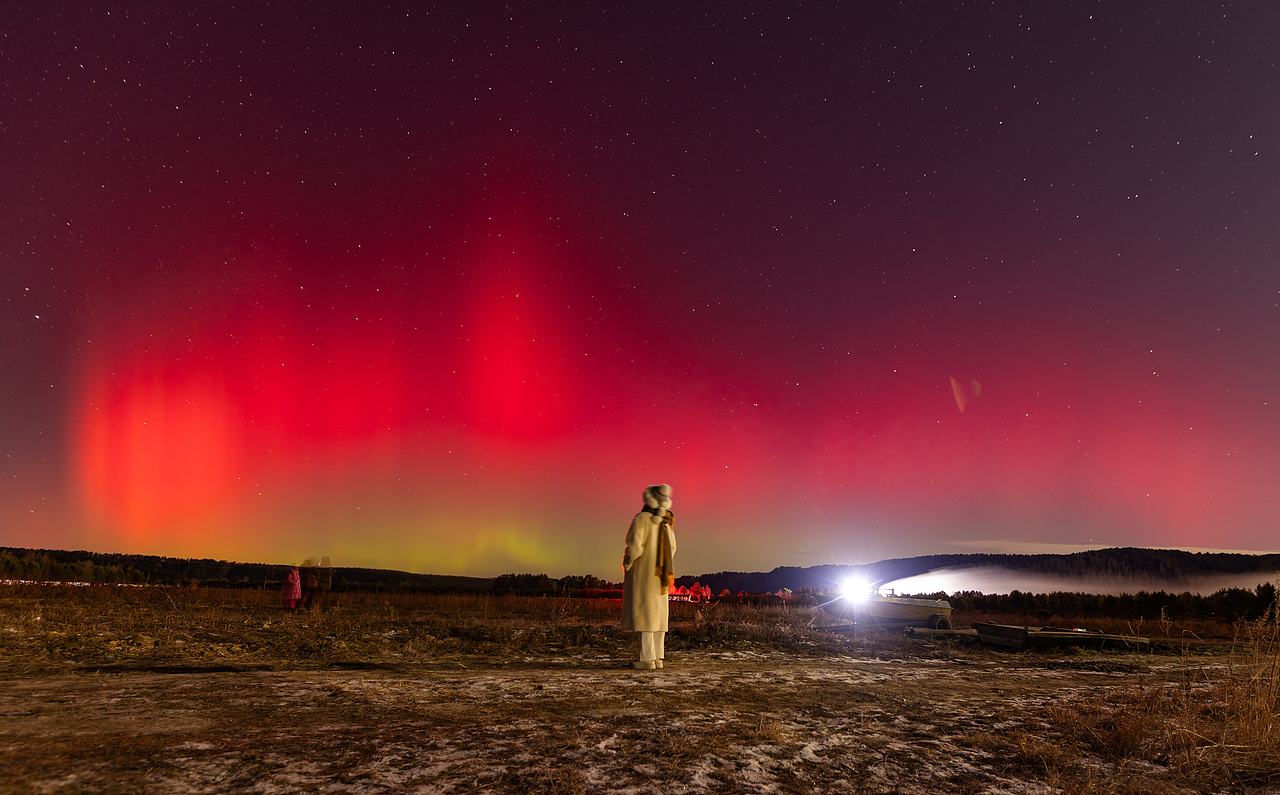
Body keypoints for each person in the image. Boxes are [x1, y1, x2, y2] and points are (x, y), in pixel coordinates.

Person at [621, 483, 676, 670]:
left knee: (645, 614)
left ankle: (646, 658)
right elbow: (673, 548)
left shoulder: (642, 519)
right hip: (661, 574)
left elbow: (636, 546)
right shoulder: (667, 522)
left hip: (644, 572)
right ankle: (658, 657)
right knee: (658, 615)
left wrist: (628, 562)